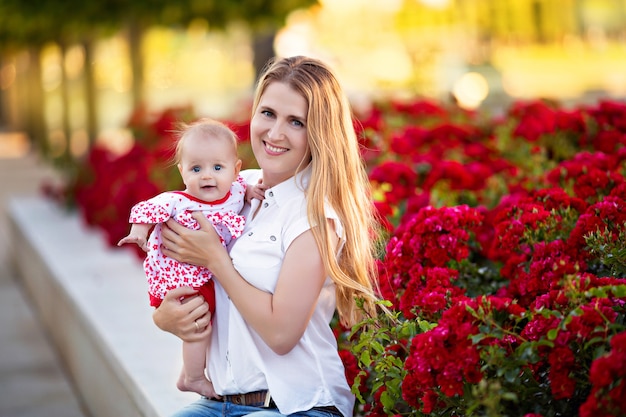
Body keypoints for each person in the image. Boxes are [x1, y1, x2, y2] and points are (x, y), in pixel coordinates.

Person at [152, 55, 382, 417]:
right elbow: (173, 268)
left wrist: (216, 260)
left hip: (300, 406)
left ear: (319, 133)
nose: (275, 133)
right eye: (268, 113)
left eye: (296, 122)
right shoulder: (234, 190)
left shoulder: (315, 217)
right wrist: (164, 318)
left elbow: (280, 334)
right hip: (221, 402)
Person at [118, 118, 262, 398]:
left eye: (217, 168)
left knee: (205, 321)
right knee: (199, 323)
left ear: (235, 170)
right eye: (196, 169)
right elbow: (148, 210)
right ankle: (194, 377)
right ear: (183, 172)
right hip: (181, 275)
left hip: (205, 271)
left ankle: (188, 372)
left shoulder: (235, 188)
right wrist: (138, 233)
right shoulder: (178, 200)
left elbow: (244, 186)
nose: (207, 176)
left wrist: (250, 192)